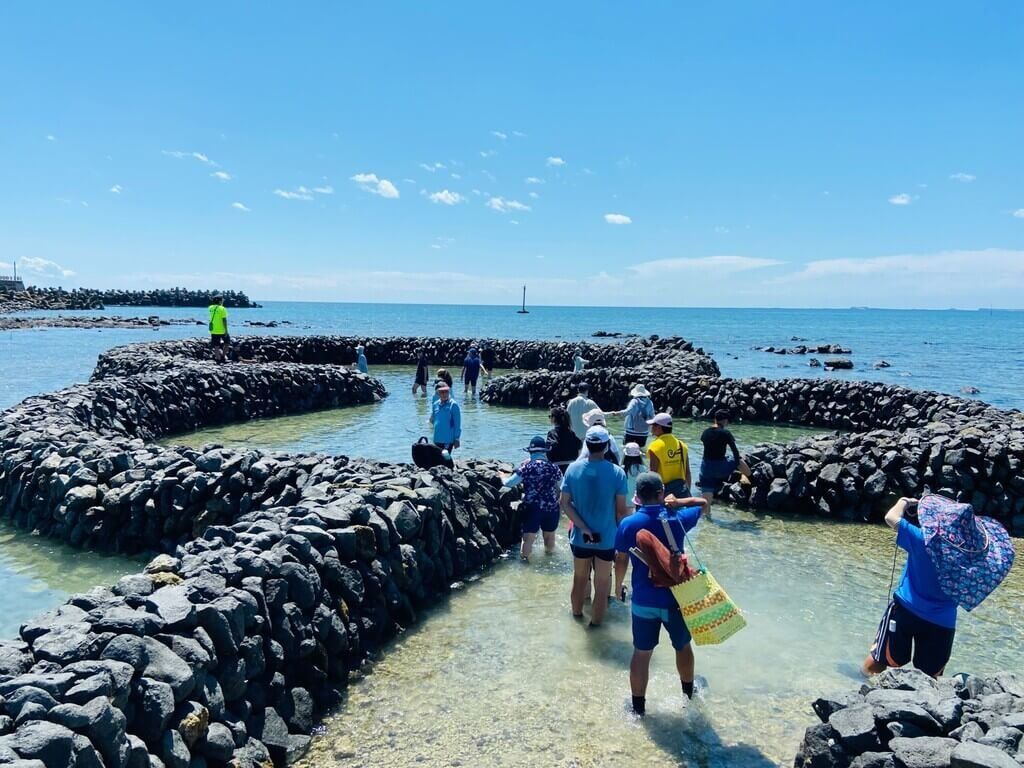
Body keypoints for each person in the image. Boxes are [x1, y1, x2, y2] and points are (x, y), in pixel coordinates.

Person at [861, 496, 1014, 679]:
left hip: (905, 610)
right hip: (942, 622)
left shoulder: (922, 541)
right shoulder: (973, 561)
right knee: (930, 677)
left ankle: (858, 688)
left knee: (878, 661)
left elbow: (891, 518)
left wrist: (903, 502)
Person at [614, 472, 708, 715]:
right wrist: (678, 502)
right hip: (676, 598)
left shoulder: (628, 524)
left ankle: (638, 710)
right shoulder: (677, 518)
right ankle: (688, 695)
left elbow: (621, 559)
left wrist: (617, 586)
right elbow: (704, 503)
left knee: (641, 653)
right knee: (682, 646)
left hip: (643, 599)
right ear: (661, 493)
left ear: (638, 498)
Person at [560, 425, 629, 627]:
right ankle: (596, 626)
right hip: (607, 538)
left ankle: (576, 617)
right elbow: (620, 511)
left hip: (581, 537)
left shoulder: (572, 469)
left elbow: (564, 503)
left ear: (587, 445)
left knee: (579, 579)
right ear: (606, 446)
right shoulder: (617, 473)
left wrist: (584, 528)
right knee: (602, 585)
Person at [504, 436, 564, 561]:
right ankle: (549, 560)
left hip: (532, 507)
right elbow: (563, 486)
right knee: (549, 537)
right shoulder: (553, 468)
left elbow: (509, 483)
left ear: (531, 452)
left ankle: (525, 563)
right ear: (544, 452)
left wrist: (501, 476)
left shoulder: (527, 467)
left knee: (528, 539)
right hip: (551, 507)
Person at [698, 410, 751, 511]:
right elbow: (735, 452)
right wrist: (736, 465)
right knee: (738, 460)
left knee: (706, 502)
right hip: (721, 468)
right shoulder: (725, 433)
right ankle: (752, 479)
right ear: (725, 421)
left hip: (706, 470)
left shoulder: (705, 433)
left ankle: (707, 523)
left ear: (715, 419)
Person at [647, 413, 691, 497]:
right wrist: (687, 493)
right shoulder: (682, 445)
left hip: (663, 493)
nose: (651, 428)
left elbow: (653, 474)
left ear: (659, 427)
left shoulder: (655, 446)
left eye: (653, 425)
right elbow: (687, 472)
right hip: (681, 491)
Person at [546, 406, 582, 474]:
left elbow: (549, 451)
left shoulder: (552, 433)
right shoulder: (571, 433)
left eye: (550, 416)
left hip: (557, 469)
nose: (549, 418)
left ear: (554, 418)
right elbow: (579, 445)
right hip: (572, 468)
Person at [430, 383, 462, 451]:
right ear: (438, 393)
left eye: (446, 391)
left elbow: (457, 423)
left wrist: (457, 438)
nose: (444, 394)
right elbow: (433, 420)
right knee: (437, 460)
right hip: (437, 438)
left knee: (445, 458)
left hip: (447, 440)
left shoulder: (453, 405)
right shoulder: (435, 404)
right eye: (442, 392)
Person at [207, 295, 229, 363]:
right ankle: (223, 357)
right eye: (222, 300)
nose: (223, 301)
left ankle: (218, 359)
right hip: (222, 329)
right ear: (220, 301)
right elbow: (224, 320)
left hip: (213, 329)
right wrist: (226, 330)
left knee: (216, 345)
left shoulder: (210, 308)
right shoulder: (222, 308)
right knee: (227, 343)